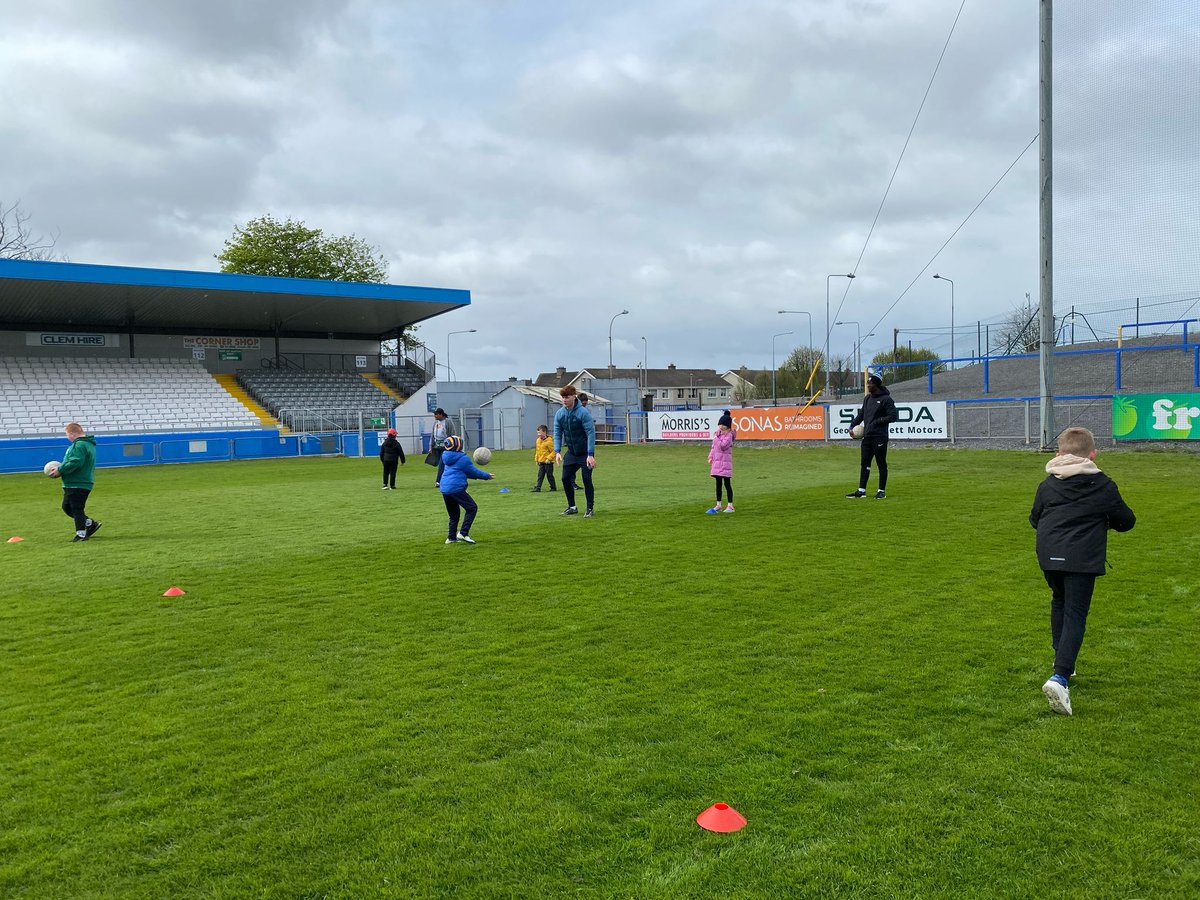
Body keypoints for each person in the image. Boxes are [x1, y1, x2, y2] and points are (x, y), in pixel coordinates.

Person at [1029, 426, 1136, 716]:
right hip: (1081, 558)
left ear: (1059, 452)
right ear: (1093, 454)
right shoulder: (1102, 485)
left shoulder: (1047, 484)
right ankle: (1060, 678)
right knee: (1075, 612)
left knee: (1059, 601)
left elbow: (1034, 519)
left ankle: (1062, 662)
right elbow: (1126, 520)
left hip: (1049, 555)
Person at [845, 372, 899, 500]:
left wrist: (878, 421)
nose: (868, 385)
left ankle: (881, 491)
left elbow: (893, 417)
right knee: (864, 464)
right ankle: (861, 490)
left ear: (877, 385)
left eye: (870, 383)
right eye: (867, 383)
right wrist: (851, 427)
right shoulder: (867, 399)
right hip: (867, 437)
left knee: (881, 464)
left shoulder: (887, 400)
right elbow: (861, 415)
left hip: (880, 437)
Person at [50, 422, 101, 542]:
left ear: (72, 433)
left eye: (67, 435)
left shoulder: (79, 445)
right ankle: (90, 523)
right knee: (67, 507)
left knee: (76, 507)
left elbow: (75, 462)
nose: (68, 438)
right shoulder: (88, 444)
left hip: (77, 482)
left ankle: (81, 534)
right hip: (79, 481)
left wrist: (60, 469)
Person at [438, 435, 493, 544]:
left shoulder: (446, 456)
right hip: (456, 488)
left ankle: (451, 538)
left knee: (453, 515)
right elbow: (473, 471)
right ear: (458, 446)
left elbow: (461, 472)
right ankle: (463, 533)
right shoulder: (462, 458)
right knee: (472, 508)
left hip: (445, 488)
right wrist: (486, 476)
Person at [553, 384, 596, 517]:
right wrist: (557, 451)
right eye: (563, 397)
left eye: (567, 397)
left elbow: (590, 433)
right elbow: (557, 432)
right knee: (565, 478)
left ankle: (589, 508)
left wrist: (590, 454)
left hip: (584, 453)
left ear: (573, 397)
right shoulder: (560, 414)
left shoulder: (583, 413)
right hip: (571, 453)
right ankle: (572, 506)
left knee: (586, 479)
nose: (564, 400)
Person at [706, 410, 736, 513]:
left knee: (727, 484)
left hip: (725, 463)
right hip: (717, 463)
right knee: (718, 484)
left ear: (727, 426)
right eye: (720, 424)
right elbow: (713, 448)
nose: (721, 426)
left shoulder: (729, 436)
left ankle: (730, 505)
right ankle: (718, 504)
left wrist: (715, 438)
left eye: (723, 424)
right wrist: (711, 457)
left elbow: (722, 446)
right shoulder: (717, 435)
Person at [429, 408, 456, 487]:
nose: (435, 416)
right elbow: (432, 435)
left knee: (442, 464)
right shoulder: (435, 423)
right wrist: (431, 446)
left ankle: (438, 481)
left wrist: (452, 446)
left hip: (446, 447)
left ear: (441, 414)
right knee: (444, 464)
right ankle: (450, 479)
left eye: (436, 414)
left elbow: (452, 434)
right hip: (437, 447)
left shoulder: (448, 422)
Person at [531, 424, 557, 492]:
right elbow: (537, 451)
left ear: (544, 432)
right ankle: (538, 488)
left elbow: (554, 451)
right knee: (540, 475)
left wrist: (549, 458)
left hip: (548, 462)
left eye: (539, 432)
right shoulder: (538, 441)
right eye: (538, 433)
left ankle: (553, 487)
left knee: (549, 475)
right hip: (541, 461)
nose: (538, 434)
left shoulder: (549, 441)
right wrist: (536, 459)